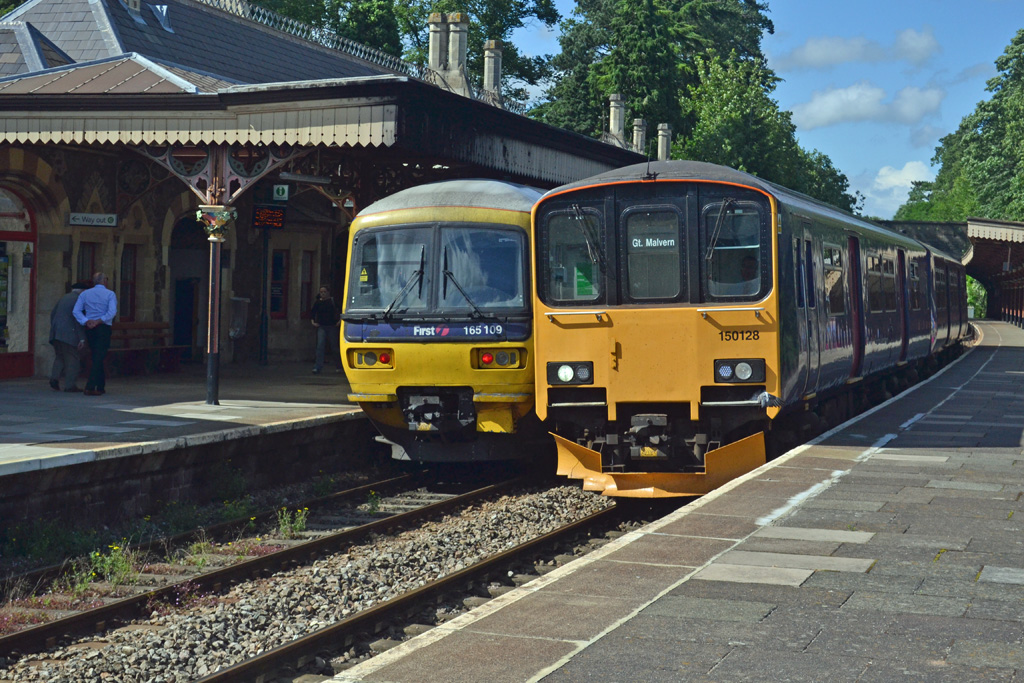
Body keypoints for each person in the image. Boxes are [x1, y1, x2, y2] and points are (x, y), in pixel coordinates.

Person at [73, 271, 118, 396]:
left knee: (96, 355)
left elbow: (76, 311)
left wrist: (86, 321)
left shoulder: (85, 294)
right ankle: (91, 386)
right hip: (103, 327)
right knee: (99, 356)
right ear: (105, 281)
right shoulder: (110, 294)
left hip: (90, 328)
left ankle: (100, 385)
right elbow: (112, 312)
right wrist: (99, 320)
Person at [48, 281, 90, 392]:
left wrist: (56, 329)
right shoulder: (79, 300)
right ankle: (70, 385)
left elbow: (53, 314)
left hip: (56, 333)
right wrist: (82, 338)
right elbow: (78, 320)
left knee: (60, 356)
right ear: (83, 291)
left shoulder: (64, 298)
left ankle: (54, 378)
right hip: (69, 334)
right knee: (73, 359)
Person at [310, 285, 340, 374]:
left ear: (328, 292)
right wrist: (313, 322)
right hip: (321, 326)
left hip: (332, 326)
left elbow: (341, 310)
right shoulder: (318, 302)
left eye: (324, 292)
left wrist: (339, 321)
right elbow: (313, 312)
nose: (323, 294)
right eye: (321, 292)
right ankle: (317, 366)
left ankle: (339, 366)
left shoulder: (332, 301)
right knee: (320, 346)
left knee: (334, 347)